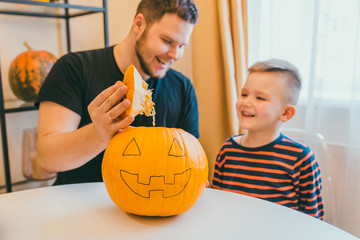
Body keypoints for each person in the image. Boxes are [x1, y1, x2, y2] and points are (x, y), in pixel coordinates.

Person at [35, 0, 199, 185]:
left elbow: (190, 157)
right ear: (139, 24)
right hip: (78, 205)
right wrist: (98, 134)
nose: (175, 55)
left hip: (153, 207)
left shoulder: (182, 87)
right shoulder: (73, 68)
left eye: (181, 46)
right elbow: (46, 159)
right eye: (167, 41)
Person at [212, 59, 324, 219]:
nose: (246, 102)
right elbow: (217, 203)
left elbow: (313, 219)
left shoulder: (300, 158)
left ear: (286, 113)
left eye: (260, 98)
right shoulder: (227, 150)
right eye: (244, 94)